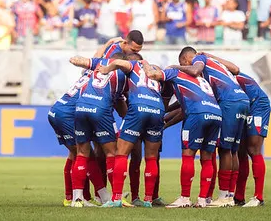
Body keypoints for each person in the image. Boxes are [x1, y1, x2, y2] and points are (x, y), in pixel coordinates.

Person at [172, 46, 250, 207]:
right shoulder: (214, 62)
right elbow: (235, 69)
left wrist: (175, 67)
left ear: (186, 59)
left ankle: (223, 196)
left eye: (184, 63)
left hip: (229, 102)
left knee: (224, 149)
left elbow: (194, 70)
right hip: (242, 101)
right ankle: (229, 194)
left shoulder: (198, 59)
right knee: (232, 149)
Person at [144, 61, 221, 208]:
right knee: (207, 157)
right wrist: (165, 123)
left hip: (197, 114)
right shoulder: (201, 80)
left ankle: (185, 198)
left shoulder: (174, 72)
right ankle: (203, 199)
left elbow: (152, 74)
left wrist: (145, 64)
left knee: (188, 154)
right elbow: (182, 109)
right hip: (216, 114)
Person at [94, 56, 163, 208]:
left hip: (139, 106)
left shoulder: (133, 65)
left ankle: (116, 198)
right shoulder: (155, 69)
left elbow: (118, 63)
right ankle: (148, 200)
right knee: (151, 157)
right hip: (158, 109)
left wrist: (106, 69)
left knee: (121, 153)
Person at [66, 53, 128, 207]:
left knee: (81, 153)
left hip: (80, 107)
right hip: (100, 109)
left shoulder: (98, 65)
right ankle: (115, 197)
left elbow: (75, 60)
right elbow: (121, 102)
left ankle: (77, 199)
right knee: (111, 153)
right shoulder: (124, 72)